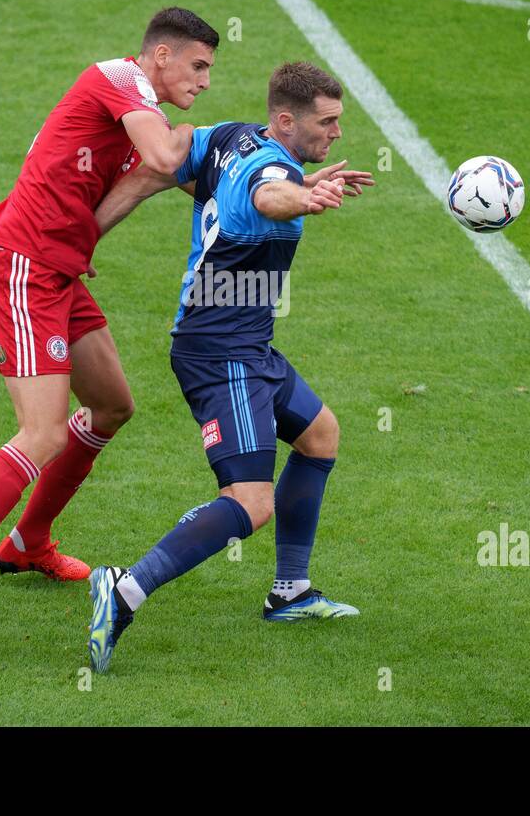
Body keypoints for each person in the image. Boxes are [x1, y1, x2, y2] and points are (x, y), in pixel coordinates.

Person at [0, 8, 219, 652]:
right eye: (199, 66)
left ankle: (27, 543)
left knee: (111, 406)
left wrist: (292, 183)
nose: (206, 81)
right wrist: (187, 137)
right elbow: (165, 156)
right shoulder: (117, 80)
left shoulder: (135, 118)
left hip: (57, 271)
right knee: (43, 430)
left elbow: (144, 180)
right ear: (161, 55)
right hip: (22, 267)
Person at [85, 61, 373, 672]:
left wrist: (91, 231)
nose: (337, 134)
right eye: (327, 122)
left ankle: (289, 591)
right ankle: (125, 589)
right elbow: (270, 197)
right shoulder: (272, 173)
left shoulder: (231, 138)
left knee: (320, 436)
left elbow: (178, 153)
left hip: (246, 342)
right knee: (250, 501)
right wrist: (307, 196)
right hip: (222, 354)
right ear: (287, 120)